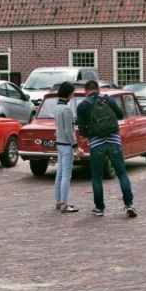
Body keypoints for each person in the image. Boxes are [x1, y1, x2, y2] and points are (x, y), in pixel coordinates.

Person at [76, 80, 137, 218]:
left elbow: (82, 130)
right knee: (122, 173)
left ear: (86, 91)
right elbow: (120, 115)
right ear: (98, 89)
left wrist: (89, 136)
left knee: (97, 176)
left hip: (97, 143)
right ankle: (129, 205)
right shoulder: (108, 99)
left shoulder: (83, 106)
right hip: (114, 141)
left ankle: (99, 208)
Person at [54, 81, 82, 213]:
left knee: (59, 174)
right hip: (66, 145)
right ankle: (65, 203)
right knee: (66, 175)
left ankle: (59, 201)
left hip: (59, 144)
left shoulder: (57, 108)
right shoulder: (67, 110)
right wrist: (76, 146)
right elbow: (69, 131)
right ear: (69, 93)